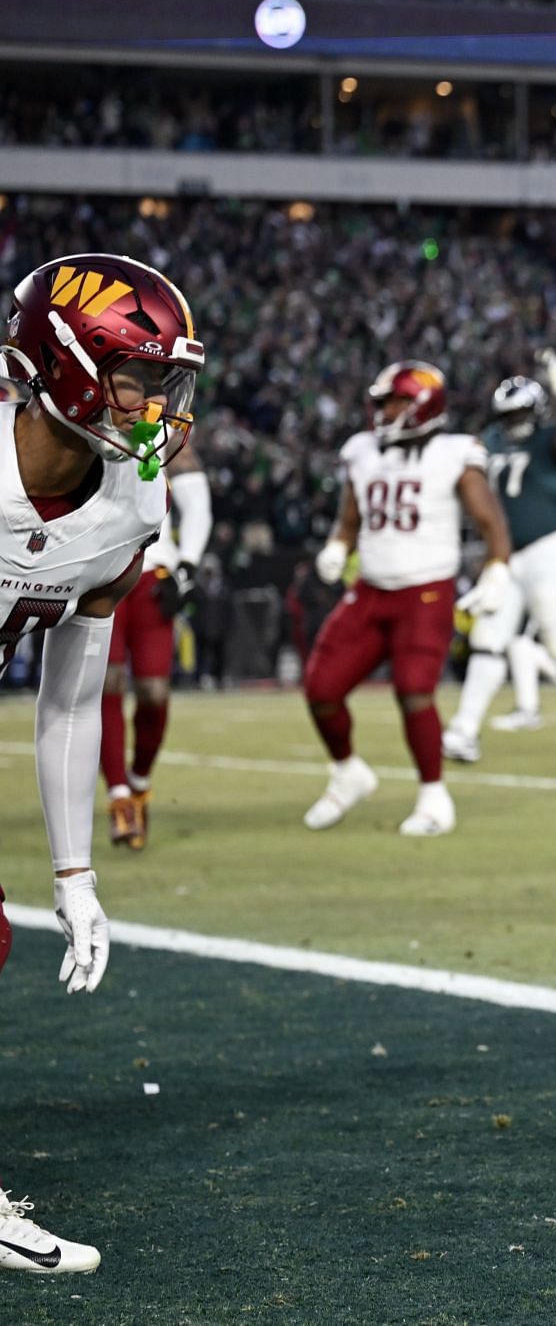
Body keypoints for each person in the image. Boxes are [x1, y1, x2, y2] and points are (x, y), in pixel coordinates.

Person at [1, 252, 206, 1273]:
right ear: (64, 364)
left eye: (167, 382)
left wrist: (74, 872)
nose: (158, 405)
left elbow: (72, 693)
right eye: (139, 376)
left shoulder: (128, 505)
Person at [301, 360, 513, 837]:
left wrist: (497, 570)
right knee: (321, 689)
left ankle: (434, 797)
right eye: (382, 403)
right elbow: (351, 519)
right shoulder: (362, 450)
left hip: (427, 590)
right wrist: (338, 545)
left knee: (414, 690)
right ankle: (347, 772)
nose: (385, 412)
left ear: (423, 406)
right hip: (371, 591)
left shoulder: (455, 453)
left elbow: (492, 524)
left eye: (396, 402)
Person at [442, 349, 556, 765]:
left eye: (520, 415)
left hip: (548, 548)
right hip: (505, 557)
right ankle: (463, 731)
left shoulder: (550, 439)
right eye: (508, 416)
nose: (514, 423)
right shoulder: (490, 442)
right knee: (487, 641)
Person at [100, 440, 210, 850]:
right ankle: (119, 797)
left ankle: (140, 783)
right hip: (102, 567)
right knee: (106, 683)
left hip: (151, 573)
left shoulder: (156, 429)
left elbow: (196, 500)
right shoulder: (84, 416)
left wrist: (187, 567)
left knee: (153, 690)